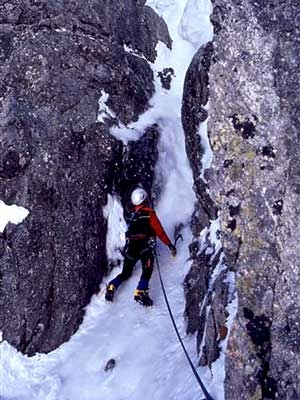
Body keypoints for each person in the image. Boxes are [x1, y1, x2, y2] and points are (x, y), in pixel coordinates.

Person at [105, 188, 177, 306]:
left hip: (132, 247)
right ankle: (141, 291)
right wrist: (170, 245)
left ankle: (112, 285)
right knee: (147, 269)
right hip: (144, 245)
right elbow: (159, 231)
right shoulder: (149, 214)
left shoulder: (132, 216)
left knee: (126, 272)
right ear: (145, 199)